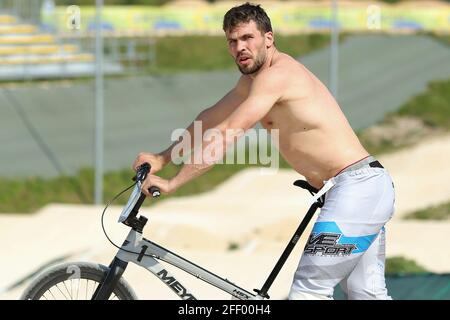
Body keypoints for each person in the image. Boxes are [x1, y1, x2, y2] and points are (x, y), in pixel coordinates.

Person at [133, 2, 395, 300]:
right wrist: (162, 157)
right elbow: (211, 118)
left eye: (247, 38)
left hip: (356, 188)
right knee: (366, 294)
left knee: (309, 292)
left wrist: (173, 183)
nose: (239, 47)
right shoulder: (253, 81)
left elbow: (227, 133)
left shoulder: (277, 77)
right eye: (232, 41)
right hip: (355, 192)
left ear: (268, 39)